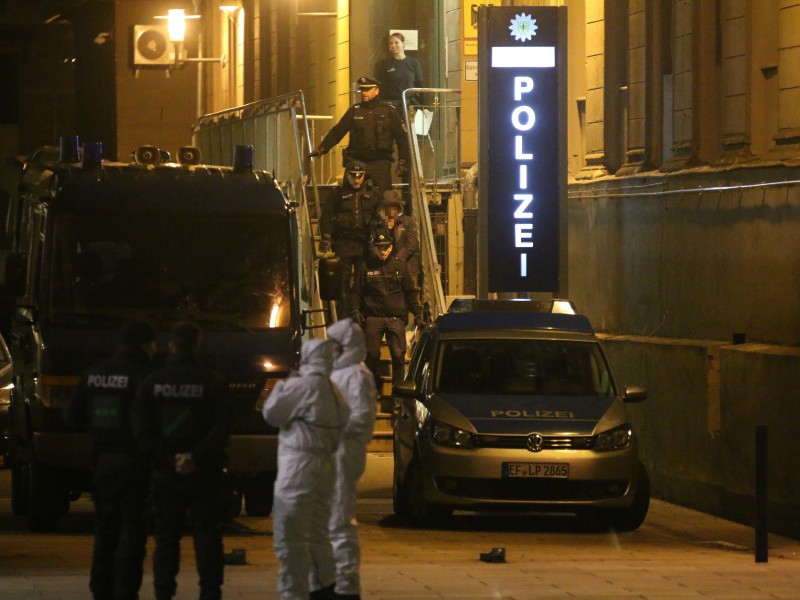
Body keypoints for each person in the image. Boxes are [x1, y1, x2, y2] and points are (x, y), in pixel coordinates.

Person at [133, 321, 230, 600]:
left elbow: (142, 429)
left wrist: (168, 459)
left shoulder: (153, 382)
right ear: (197, 345)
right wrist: (196, 457)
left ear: (172, 345)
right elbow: (221, 427)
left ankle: (164, 592)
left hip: (166, 472)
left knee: (166, 537)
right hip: (204, 471)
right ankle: (210, 592)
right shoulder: (212, 381)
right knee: (208, 535)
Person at [64, 320, 158, 600]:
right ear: (145, 344)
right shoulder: (144, 375)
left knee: (105, 529)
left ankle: (100, 590)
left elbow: (71, 417)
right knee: (132, 530)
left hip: (104, 462)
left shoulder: (94, 373)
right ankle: (125, 591)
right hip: (136, 463)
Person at [262, 338, 350, 600]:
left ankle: (293, 593)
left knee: (290, 537)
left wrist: (282, 387)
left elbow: (271, 413)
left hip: (299, 471)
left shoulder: (301, 387)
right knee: (318, 534)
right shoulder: (334, 392)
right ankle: (323, 587)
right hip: (326, 470)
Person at [324, 318, 377, 600]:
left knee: (340, 519)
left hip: (343, 452)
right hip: (334, 451)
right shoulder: (341, 372)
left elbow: (359, 419)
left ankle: (345, 587)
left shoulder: (356, 375)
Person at [349, 227, 423, 392]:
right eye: (379, 247)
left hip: (395, 317)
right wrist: (355, 311)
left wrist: (417, 312)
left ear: (391, 247)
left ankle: (399, 393)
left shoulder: (401, 267)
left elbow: (410, 292)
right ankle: (374, 388)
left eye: (386, 247)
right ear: (374, 248)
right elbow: (356, 292)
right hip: (373, 318)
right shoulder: (365, 267)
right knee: (371, 356)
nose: (383, 251)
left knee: (398, 356)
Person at [309, 76, 410, 195]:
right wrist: (322, 148)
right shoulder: (355, 110)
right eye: (362, 90)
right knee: (348, 196)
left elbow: (402, 137)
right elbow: (338, 131)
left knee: (384, 198)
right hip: (356, 161)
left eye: (367, 90)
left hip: (380, 163)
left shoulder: (388, 111)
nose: (364, 93)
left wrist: (403, 160)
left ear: (376, 90)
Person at [319, 160, 383, 316]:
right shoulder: (337, 193)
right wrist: (326, 237)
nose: (356, 180)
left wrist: (378, 239)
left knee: (364, 280)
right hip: (344, 242)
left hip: (364, 244)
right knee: (343, 283)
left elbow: (379, 218)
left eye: (359, 176)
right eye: (353, 176)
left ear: (364, 176)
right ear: (347, 175)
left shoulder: (373, 194)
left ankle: (362, 313)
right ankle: (344, 316)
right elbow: (326, 216)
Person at [374, 32, 424, 111]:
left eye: (396, 42)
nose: (393, 45)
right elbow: (381, 87)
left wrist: (423, 107)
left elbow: (420, 85)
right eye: (390, 43)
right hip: (391, 105)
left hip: (410, 105)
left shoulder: (414, 63)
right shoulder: (384, 64)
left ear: (403, 44)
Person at [379, 189, 419, 281]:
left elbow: (411, 246)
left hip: (406, 269)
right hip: (385, 269)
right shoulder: (379, 224)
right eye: (387, 207)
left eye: (393, 206)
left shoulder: (408, 222)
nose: (390, 210)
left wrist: (396, 260)